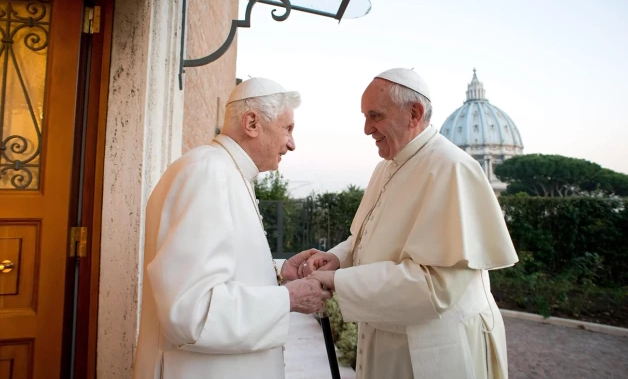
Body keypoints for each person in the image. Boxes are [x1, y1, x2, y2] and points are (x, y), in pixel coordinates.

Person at [299, 68, 519, 379]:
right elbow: (366, 237)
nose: (366, 129)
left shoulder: (451, 168)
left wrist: (338, 281)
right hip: (387, 338)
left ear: (413, 113)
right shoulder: (386, 167)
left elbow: (436, 286)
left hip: (432, 349)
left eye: (374, 116)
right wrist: (337, 258)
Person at [133, 78, 332, 379]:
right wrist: (288, 298)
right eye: (287, 128)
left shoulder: (226, 172)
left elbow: (220, 275)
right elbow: (191, 312)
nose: (292, 143)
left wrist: (277, 277)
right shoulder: (209, 172)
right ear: (252, 122)